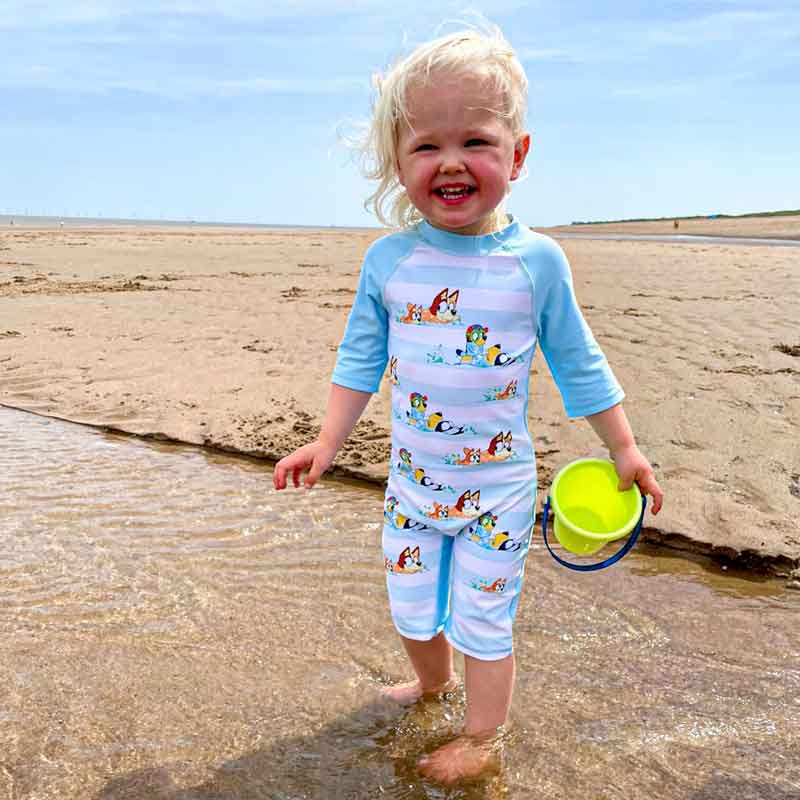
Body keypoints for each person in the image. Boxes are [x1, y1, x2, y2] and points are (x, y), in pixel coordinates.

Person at [273, 21, 664, 785]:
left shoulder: (536, 262)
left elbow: (578, 361)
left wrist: (623, 447)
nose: (451, 162)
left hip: (497, 490)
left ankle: (485, 738)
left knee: (485, 617)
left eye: (476, 141)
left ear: (517, 155)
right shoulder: (389, 262)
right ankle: (432, 686)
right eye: (427, 146)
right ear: (399, 163)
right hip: (413, 485)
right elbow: (360, 359)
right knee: (411, 604)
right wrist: (327, 441)